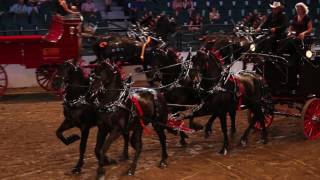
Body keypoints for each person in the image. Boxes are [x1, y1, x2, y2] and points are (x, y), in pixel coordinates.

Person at [279, 2, 313, 92]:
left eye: (299, 9)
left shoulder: (307, 18)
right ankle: (282, 54)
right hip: (295, 37)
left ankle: (282, 53)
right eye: (297, 9)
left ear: (303, 9)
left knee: (291, 42)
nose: (297, 10)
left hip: (303, 38)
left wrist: (303, 33)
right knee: (286, 40)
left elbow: (310, 29)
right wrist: (290, 32)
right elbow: (291, 27)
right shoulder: (295, 17)